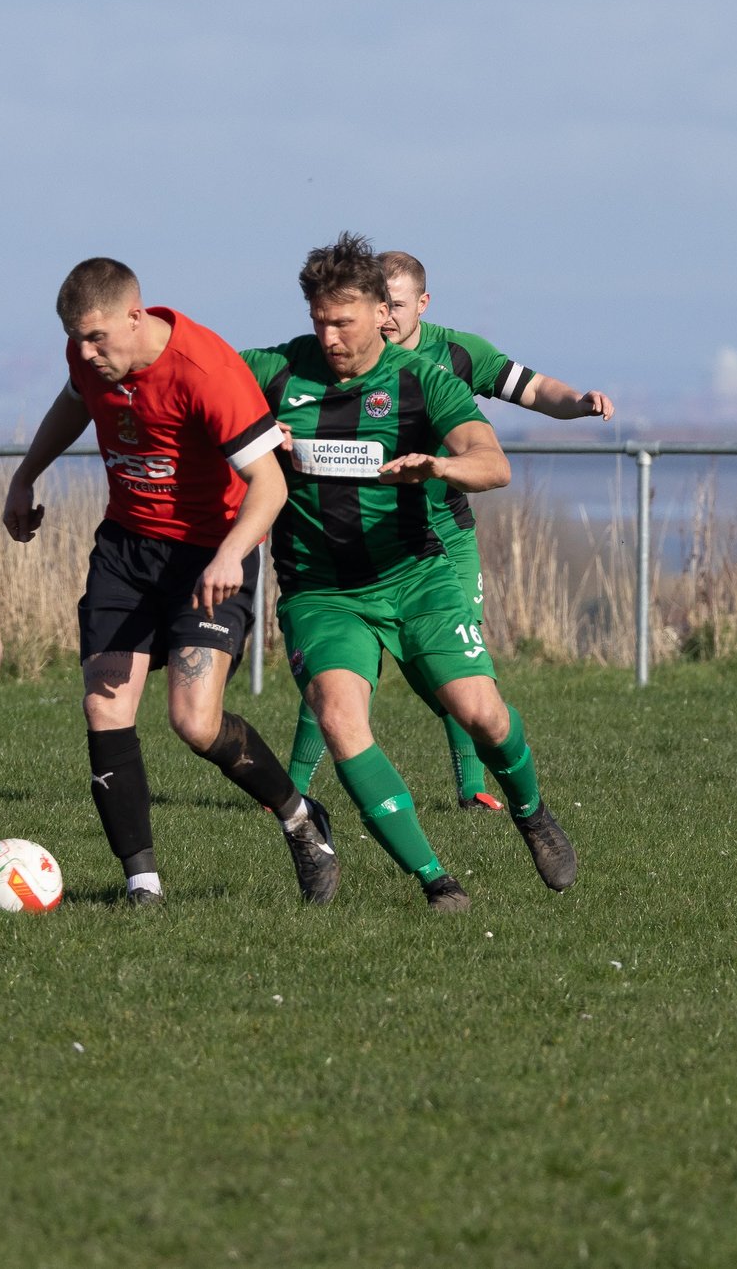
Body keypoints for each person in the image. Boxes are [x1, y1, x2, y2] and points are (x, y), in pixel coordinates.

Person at [240, 234, 576, 910]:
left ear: (377, 312)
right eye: (320, 321)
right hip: (322, 592)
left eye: (344, 321)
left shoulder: (423, 379)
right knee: (338, 717)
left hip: (416, 577)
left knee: (479, 711)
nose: (330, 335)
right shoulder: (275, 370)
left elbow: (493, 462)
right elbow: (190, 377)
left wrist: (442, 466)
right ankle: (436, 882)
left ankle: (532, 811)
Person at [4, 259, 336, 906]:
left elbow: (270, 484)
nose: (86, 351)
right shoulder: (88, 361)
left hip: (209, 557)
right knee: (104, 707)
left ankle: (301, 822)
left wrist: (231, 554)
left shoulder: (204, 370)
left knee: (194, 722)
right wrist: (25, 476)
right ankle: (143, 886)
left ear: (137, 313)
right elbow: (72, 404)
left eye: (97, 337)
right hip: (126, 553)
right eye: (75, 339)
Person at [284, 248, 616, 811]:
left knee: (459, 671)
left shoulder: (456, 355)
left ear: (422, 303)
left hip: (443, 535)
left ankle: (472, 789)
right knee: (333, 666)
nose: (383, 317)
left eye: (395, 305)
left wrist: (579, 403)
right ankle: (291, 789)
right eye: (376, 305)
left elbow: (532, 389)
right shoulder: (329, 362)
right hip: (359, 537)